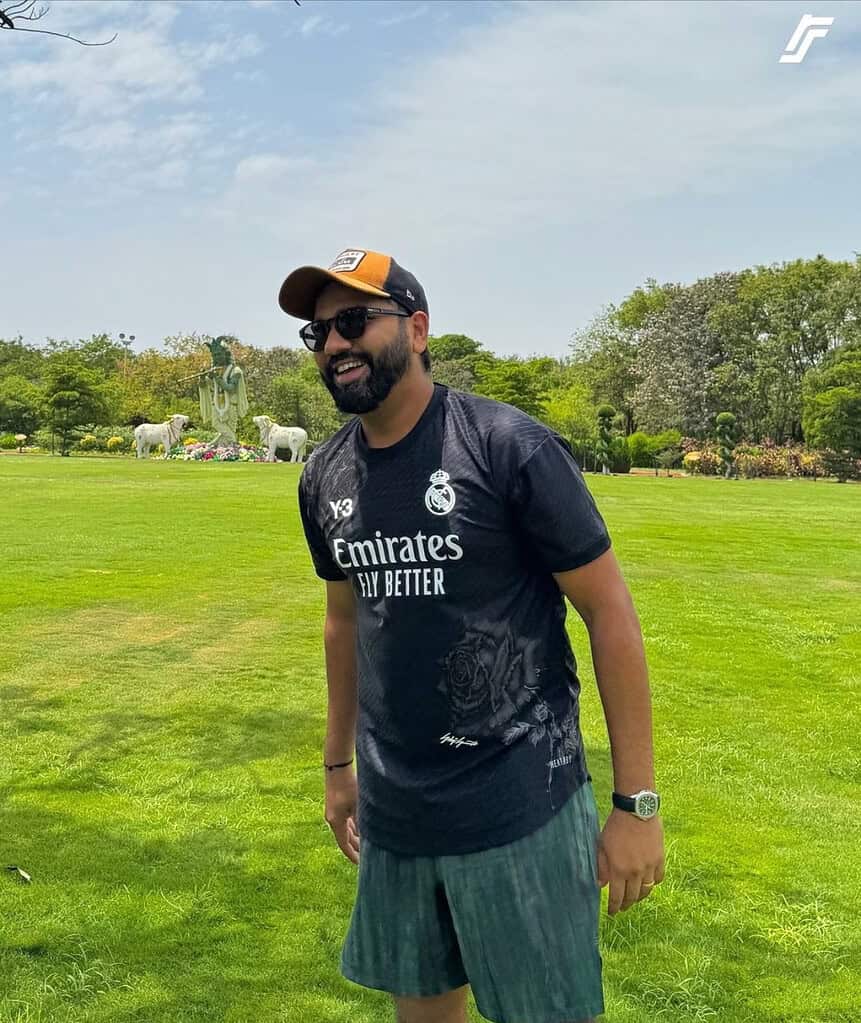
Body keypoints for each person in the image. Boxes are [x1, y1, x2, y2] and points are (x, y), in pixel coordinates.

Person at [279, 249, 665, 1023]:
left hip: (518, 802)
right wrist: (336, 765)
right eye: (317, 333)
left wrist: (636, 804)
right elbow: (342, 619)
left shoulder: (505, 446)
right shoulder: (324, 475)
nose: (333, 345)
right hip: (395, 811)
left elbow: (609, 612)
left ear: (416, 329)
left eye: (354, 320)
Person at [197, 336, 249, 447]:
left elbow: (230, 388)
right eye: (215, 356)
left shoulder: (236, 370)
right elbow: (204, 385)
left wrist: (216, 377)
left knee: (229, 429)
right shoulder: (215, 370)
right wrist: (202, 378)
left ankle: (226, 445)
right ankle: (234, 442)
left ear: (226, 354)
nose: (217, 358)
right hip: (217, 404)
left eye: (219, 355)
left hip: (231, 405)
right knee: (216, 423)